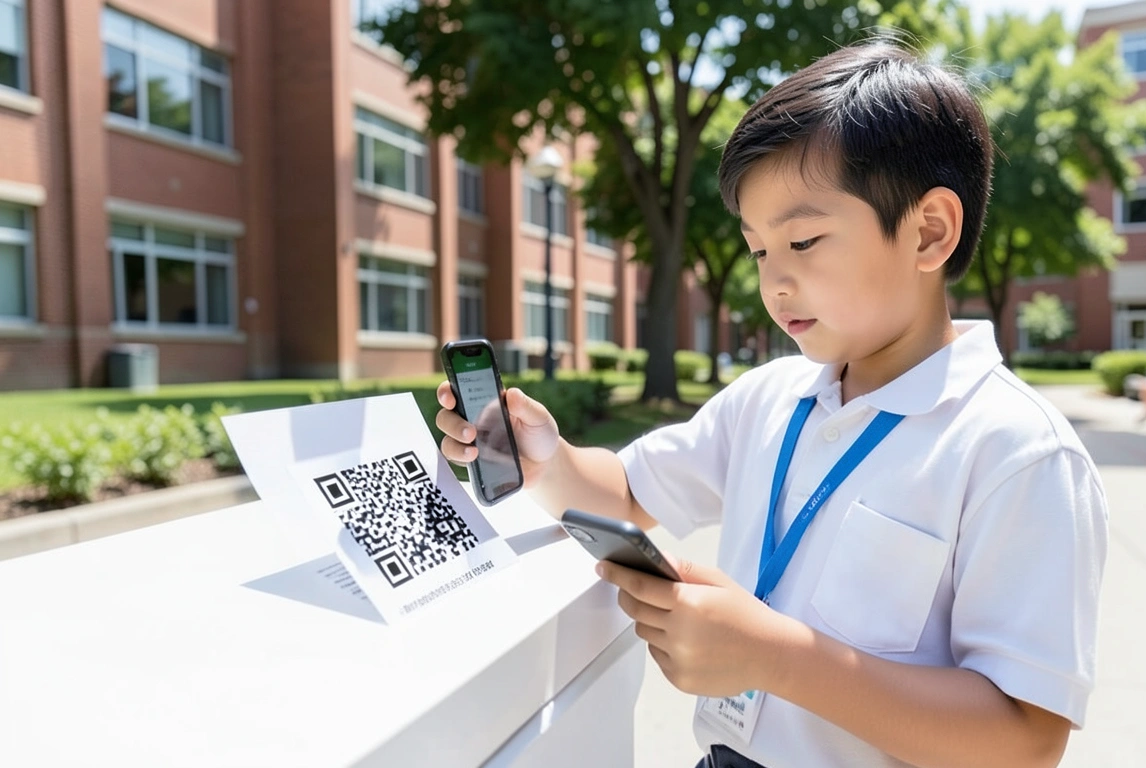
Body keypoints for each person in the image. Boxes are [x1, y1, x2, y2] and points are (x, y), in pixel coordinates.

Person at [437, 41, 1107, 768]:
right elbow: (631, 491)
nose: (775, 282)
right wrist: (545, 457)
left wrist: (775, 659)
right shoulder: (770, 396)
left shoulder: (1015, 452)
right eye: (759, 251)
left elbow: (1025, 739)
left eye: (803, 240)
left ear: (929, 232)